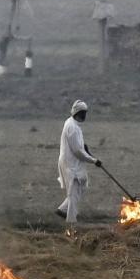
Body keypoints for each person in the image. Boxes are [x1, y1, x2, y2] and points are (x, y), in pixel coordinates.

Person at [56, 100, 102, 234]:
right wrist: (94, 160)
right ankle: (71, 227)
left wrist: (86, 150)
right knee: (74, 194)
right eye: (82, 113)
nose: (84, 116)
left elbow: (80, 147)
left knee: (80, 188)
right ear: (77, 113)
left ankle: (62, 209)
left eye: (85, 113)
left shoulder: (72, 123)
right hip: (71, 165)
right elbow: (77, 151)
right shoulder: (72, 127)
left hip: (74, 163)